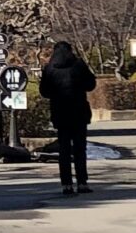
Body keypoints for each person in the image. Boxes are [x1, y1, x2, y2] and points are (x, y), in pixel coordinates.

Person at [38, 40, 98, 195]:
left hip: (60, 113)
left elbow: (44, 91)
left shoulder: (50, 68)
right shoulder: (78, 65)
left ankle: (66, 184)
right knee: (80, 149)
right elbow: (91, 85)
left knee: (64, 150)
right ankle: (82, 183)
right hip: (79, 112)